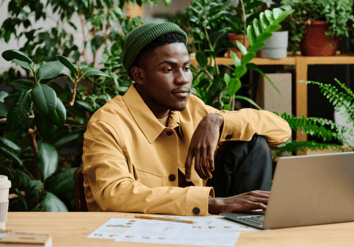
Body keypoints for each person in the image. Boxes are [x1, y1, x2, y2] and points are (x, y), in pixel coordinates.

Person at [82, 22, 291, 216]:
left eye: (187, 68)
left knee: (253, 143)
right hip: (135, 233)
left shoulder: (194, 109)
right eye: (168, 69)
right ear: (139, 75)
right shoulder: (107, 124)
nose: (183, 79)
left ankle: (254, 228)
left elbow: (282, 131)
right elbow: (114, 194)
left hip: (197, 231)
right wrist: (214, 203)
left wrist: (217, 120)